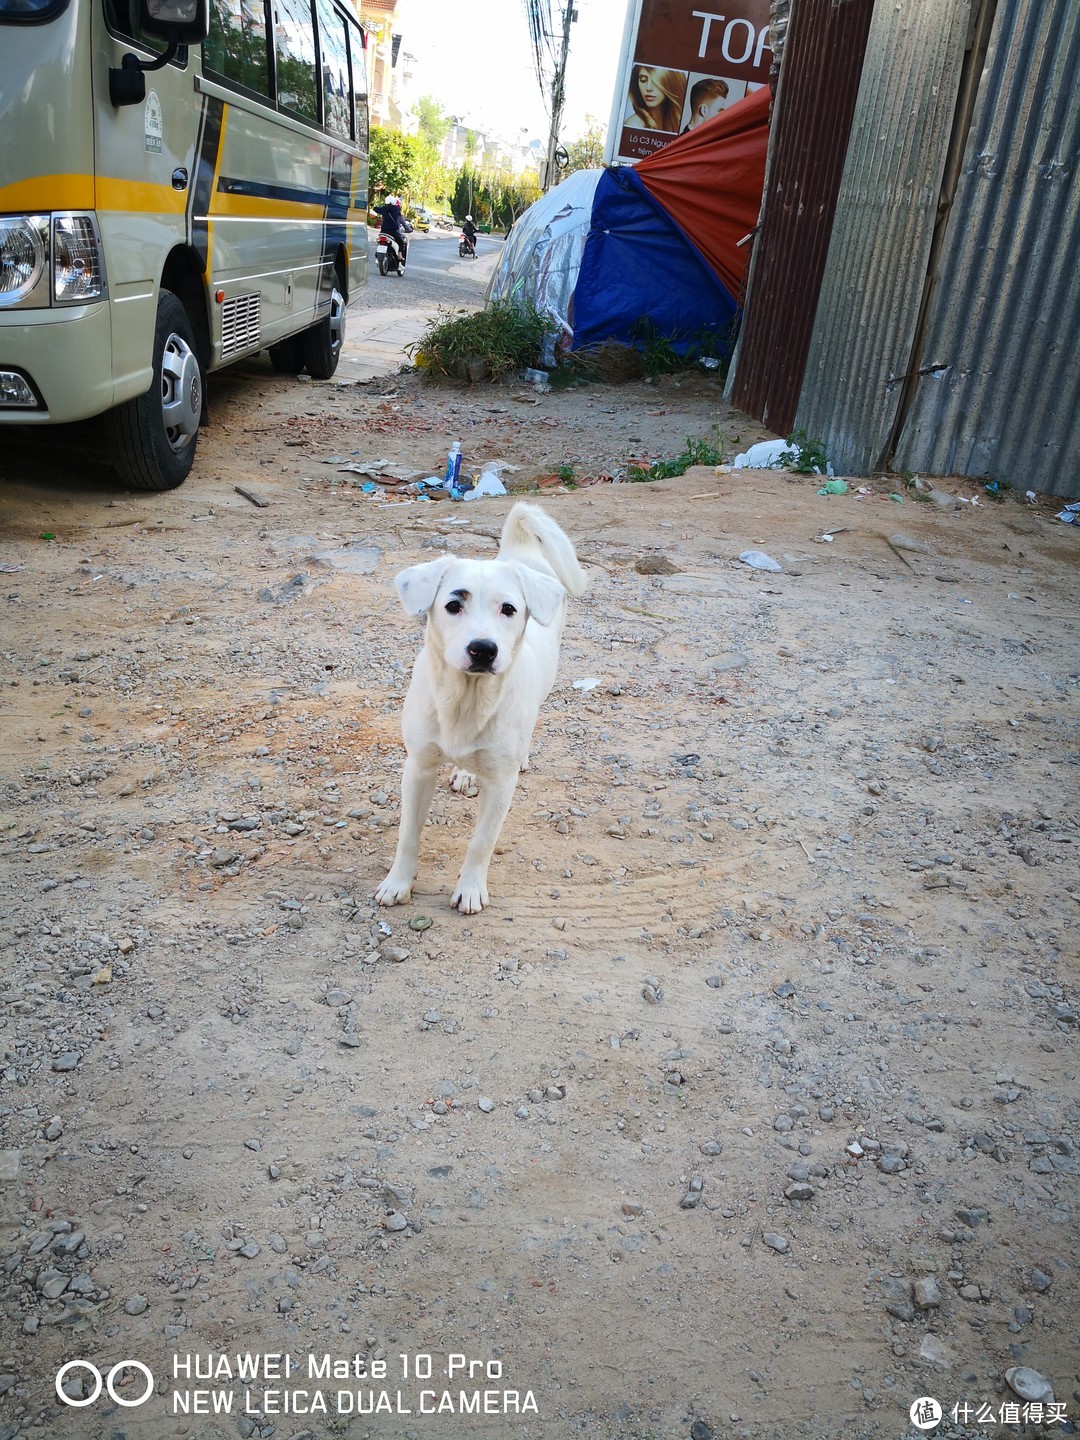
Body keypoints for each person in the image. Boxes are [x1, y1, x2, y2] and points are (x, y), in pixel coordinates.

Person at [625, 65, 686, 133]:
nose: (648, 88)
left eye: (655, 81)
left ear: (670, 83)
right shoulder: (634, 124)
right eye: (643, 80)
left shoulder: (679, 122)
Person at [377, 194, 408, 273]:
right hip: (392, 232)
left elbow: (376, 209)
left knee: (379, 241)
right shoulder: (396, 209)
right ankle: (400, 255)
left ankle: (377, 257)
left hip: (383, 231)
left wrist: (379, 208)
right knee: (401, 242)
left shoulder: (383, 209)